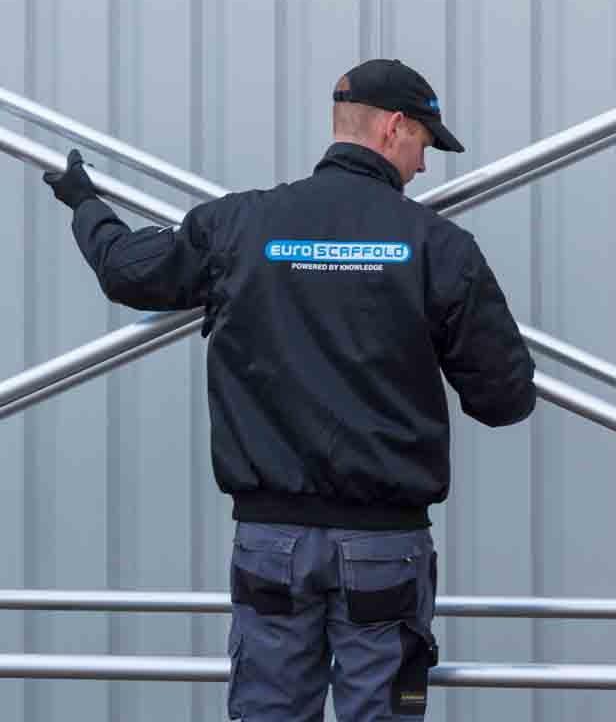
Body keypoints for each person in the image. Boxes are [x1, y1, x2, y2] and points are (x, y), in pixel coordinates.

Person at [43, 58, 537, 722]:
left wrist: (85, 203)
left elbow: (127, 272)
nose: (424, 165)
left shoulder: (240, 227)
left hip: (271, 546)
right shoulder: (439, 247)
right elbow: (503, 400)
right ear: (393, 127)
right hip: (385, 550)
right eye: (425, 142)